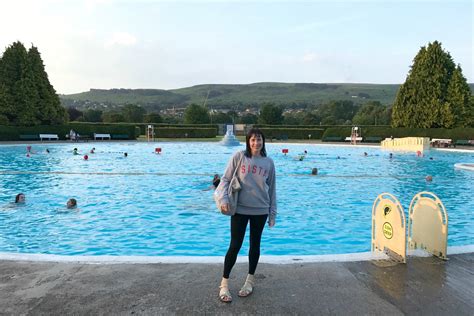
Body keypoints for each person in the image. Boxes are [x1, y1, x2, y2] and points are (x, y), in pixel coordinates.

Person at [217, 128, 276, 303]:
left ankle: (250, 280)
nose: (256, 143)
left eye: (259, 140)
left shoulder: (269, 162)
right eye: (253, 140)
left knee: (254, 245)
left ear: (263, 142)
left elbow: (272, 189)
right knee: (235, 245)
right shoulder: (239, 156)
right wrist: (223, 198)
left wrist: (272, 213)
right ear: (248, 141)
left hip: (260, 210)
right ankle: (224, 283)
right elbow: (225, 179)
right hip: (240, 209)